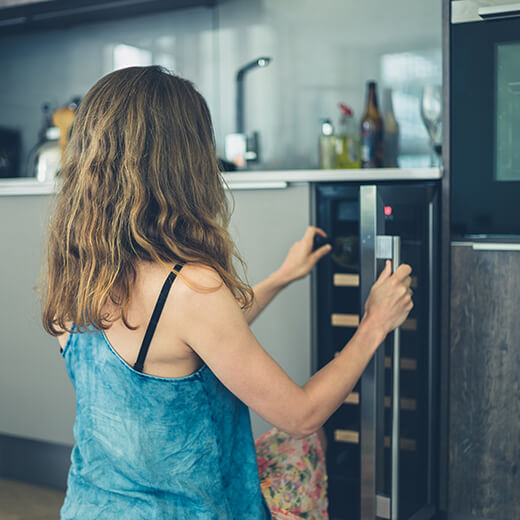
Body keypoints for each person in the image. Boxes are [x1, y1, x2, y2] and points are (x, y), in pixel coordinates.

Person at [41, 66, 413, 520]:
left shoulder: (74, 275)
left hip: (86, 508)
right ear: (183, 162)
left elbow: (179, 340)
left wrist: (281, 277)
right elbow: (302, 414)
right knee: (300, 443)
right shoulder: (190, 286)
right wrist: (374, 323)